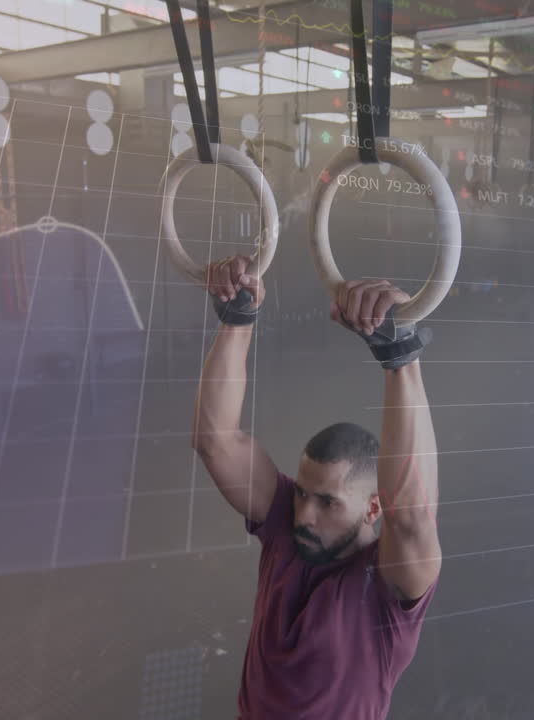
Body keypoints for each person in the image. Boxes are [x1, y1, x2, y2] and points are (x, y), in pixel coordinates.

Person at [193, 255, 442, 720]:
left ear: (372, 509)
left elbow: (410, 515)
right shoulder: (287, 525)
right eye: (304, 492)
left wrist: (401, 358)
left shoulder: (389, 587)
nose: (303, 512)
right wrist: (237, 316)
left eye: (327, 502)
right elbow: (215, 441)